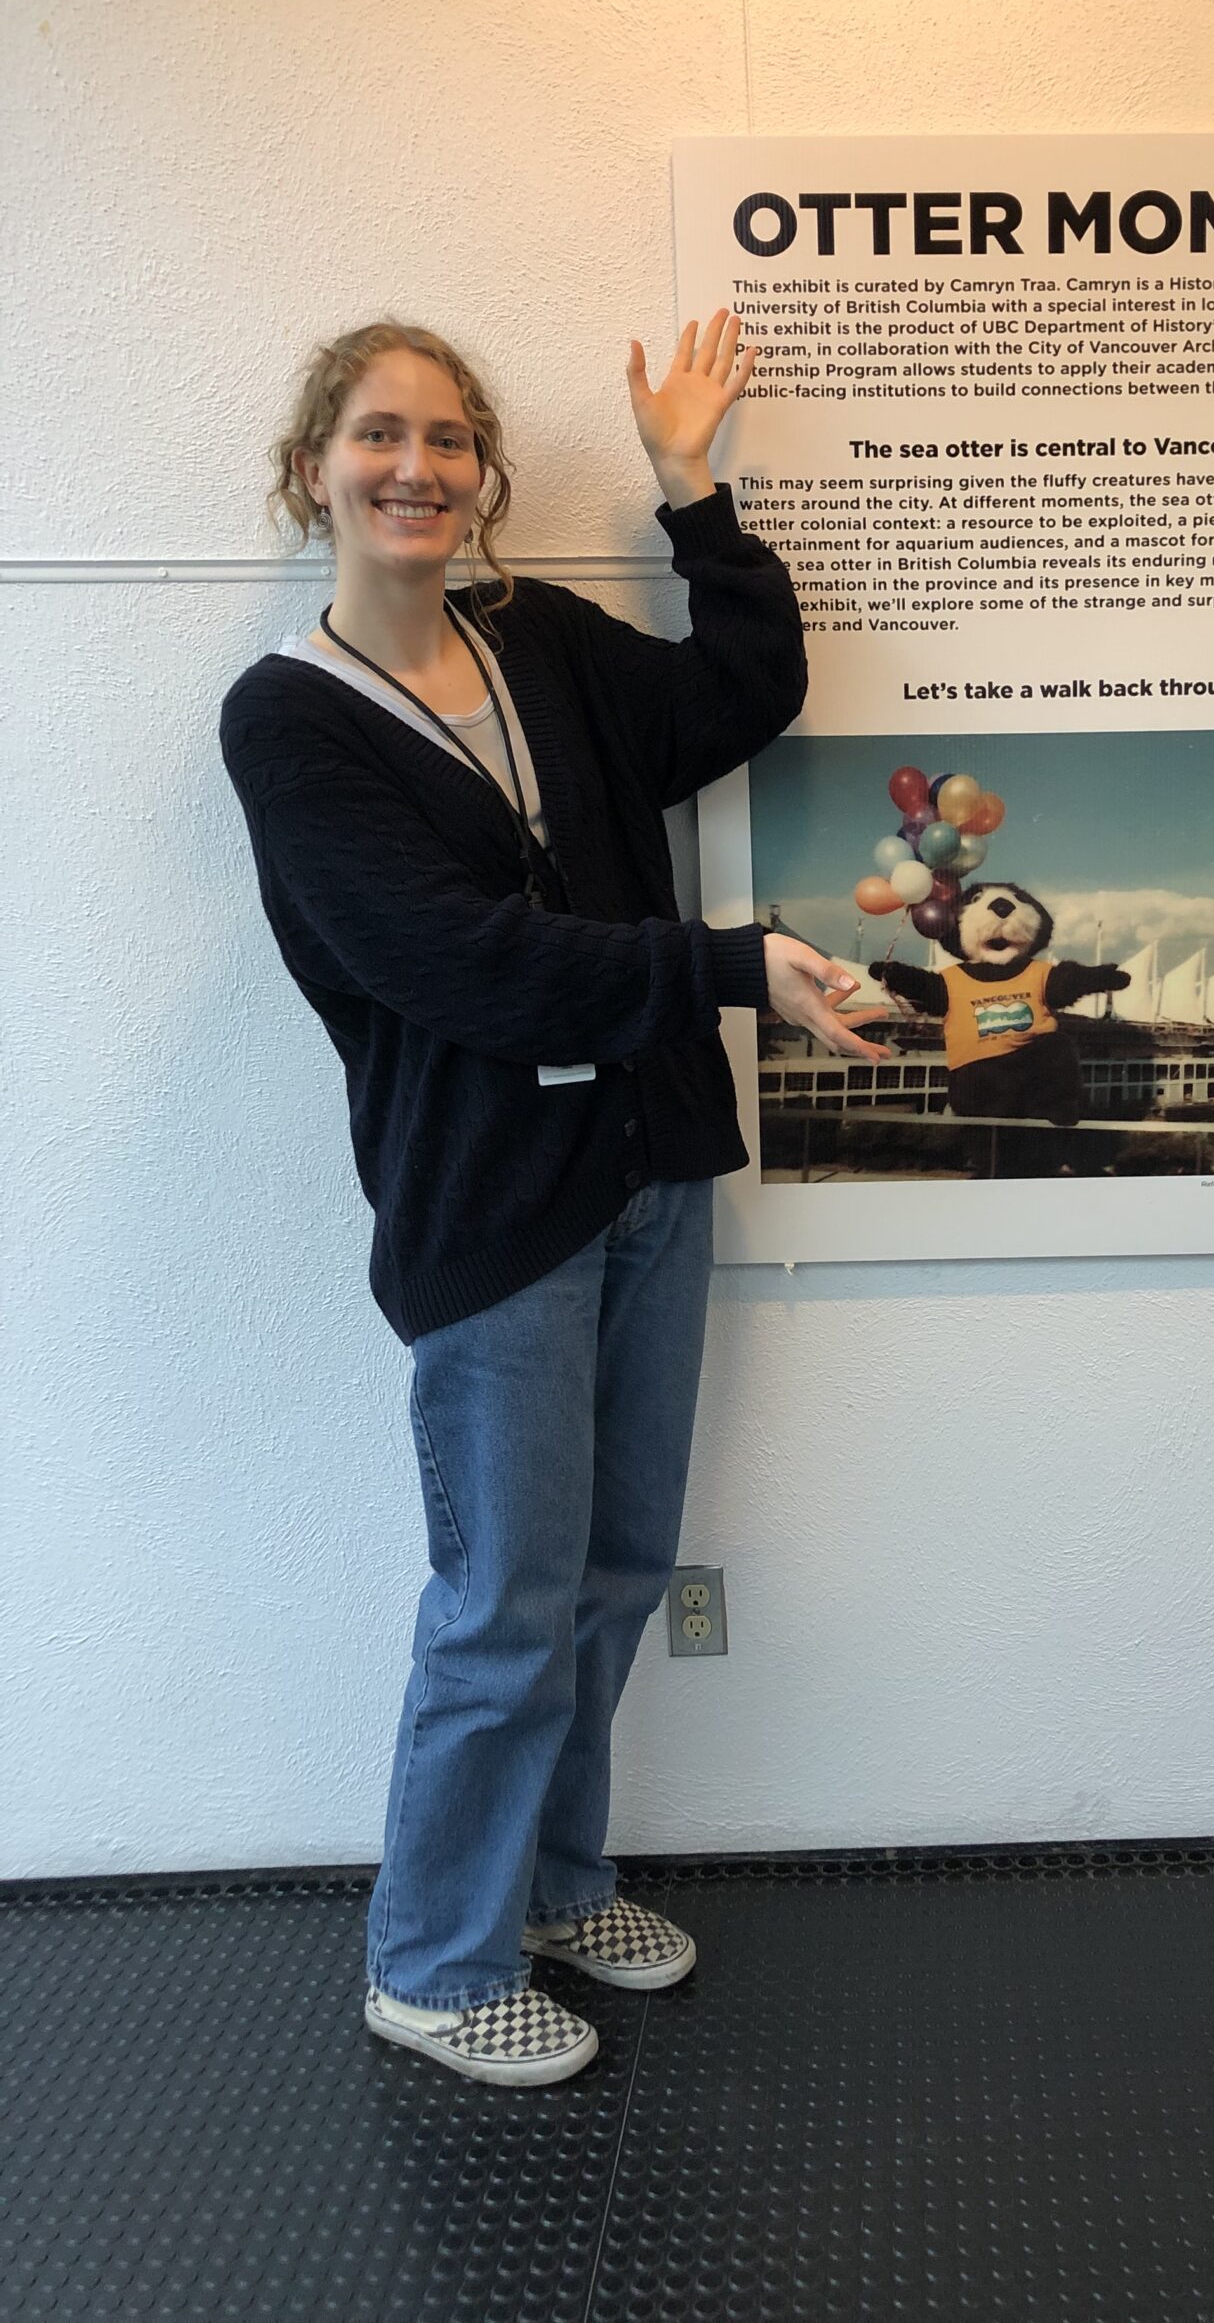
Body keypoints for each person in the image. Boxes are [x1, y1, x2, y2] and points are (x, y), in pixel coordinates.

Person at [219, 311, 884, 2087]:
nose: (414, 468)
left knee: (612, 1575)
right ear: (313, 473)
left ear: (485, 478)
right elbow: (465, 969)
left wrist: (697, 494)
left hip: (654, 1167)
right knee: (504, 1599)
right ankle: (430, 1964)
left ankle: (557, 1886)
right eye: (376, 436)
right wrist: (733, 965)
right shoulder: (287, 724)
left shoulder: (544, 647)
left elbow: (740, 698)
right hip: (494, 1208)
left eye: (447, 440)